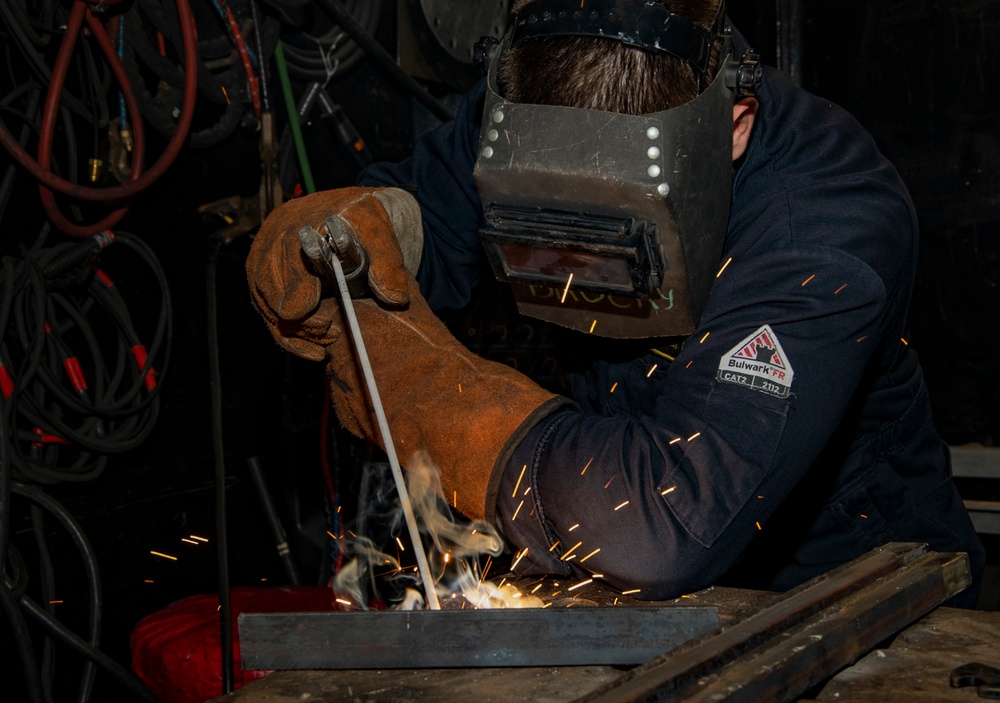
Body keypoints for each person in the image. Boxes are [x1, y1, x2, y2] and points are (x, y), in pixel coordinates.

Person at [246, 0, 985, 605]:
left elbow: (666, 519)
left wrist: (439, 401)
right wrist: (366, 235)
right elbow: (434, 220)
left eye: (615, 219)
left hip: (847, 601)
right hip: (622, 580)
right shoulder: (534, 104)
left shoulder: (824, 230)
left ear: (734, 127)